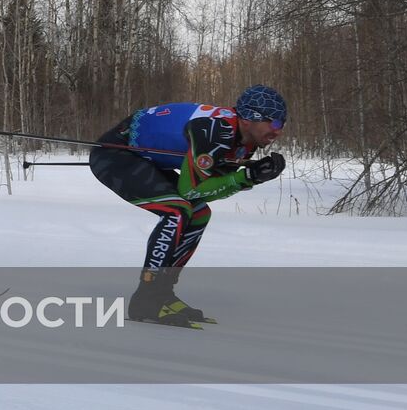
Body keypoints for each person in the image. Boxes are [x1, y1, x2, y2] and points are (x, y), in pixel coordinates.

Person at [88, 84, 289, 326]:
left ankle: (162, 292)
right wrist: (246, 177)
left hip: (142, 157)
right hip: (115, 154)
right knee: (177, 211)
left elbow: (205, 191)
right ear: (248, 119)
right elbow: (191, 190)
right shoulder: (216, 131)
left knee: (199, 213)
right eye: (274, 123)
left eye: (282, 123)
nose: (278, 130)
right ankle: (146, 299)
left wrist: (245, 177)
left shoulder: (243, 139)